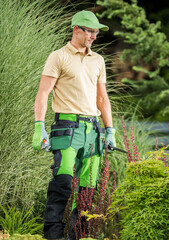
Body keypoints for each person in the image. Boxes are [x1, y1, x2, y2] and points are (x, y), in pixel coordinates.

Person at [32, 10, 116, 240]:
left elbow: (102, 98)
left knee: (88, 191)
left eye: (96, 32)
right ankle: (54, 235)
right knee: (62, 183)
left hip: (93, 131)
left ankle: (78, 235)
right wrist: (39, 126)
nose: (93, 36)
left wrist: (110, 130)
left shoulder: (98, 60)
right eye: (89, 31)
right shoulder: (58, 57)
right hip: (67, 129)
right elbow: (43, 93)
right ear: (76, 29)